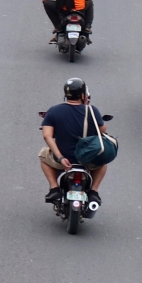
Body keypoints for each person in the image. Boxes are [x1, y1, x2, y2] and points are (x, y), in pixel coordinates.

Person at [39, 77, 113, 205]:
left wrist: (61, 157)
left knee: (43, 154)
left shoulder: (54, 111)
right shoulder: (92, 110)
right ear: (83, 95)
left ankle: (54, 188)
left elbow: (47, 136)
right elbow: (103, 130)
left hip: (63, 161)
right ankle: (94, 191)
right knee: (103, 160)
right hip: (88, 160)